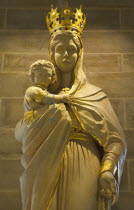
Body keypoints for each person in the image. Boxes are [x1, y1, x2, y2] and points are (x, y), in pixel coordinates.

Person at [15, 6, 127, 210]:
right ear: (52, 53)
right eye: (60, 49)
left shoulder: (95, 95)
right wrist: (38, 119)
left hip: (86, 164)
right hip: (45, 162)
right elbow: (22, 134)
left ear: (79, 54)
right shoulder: (39, 97)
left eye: (72, 49)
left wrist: (107, 169)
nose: (66, 54)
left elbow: (116, 141)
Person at [23, 59, 71, 126]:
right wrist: (62, 97)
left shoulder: (45, 91)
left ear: (52, 78)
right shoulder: (32, 90)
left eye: (48, 75)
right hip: (33, 119)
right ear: (33, 76)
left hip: (41, 117)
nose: (44, 77)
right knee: (57, 108)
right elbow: (46, 99)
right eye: (40, 75)